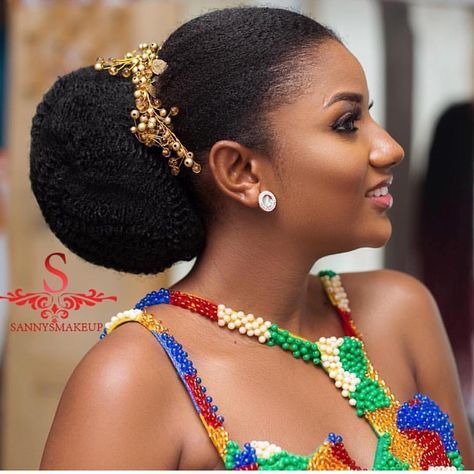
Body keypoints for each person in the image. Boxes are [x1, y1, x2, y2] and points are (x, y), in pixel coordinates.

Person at [30, 6, 473, 470]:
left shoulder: (401, 313)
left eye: (371, 116)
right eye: (347, 123)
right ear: (240, 171)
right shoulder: (133, 378)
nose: (390, 148)